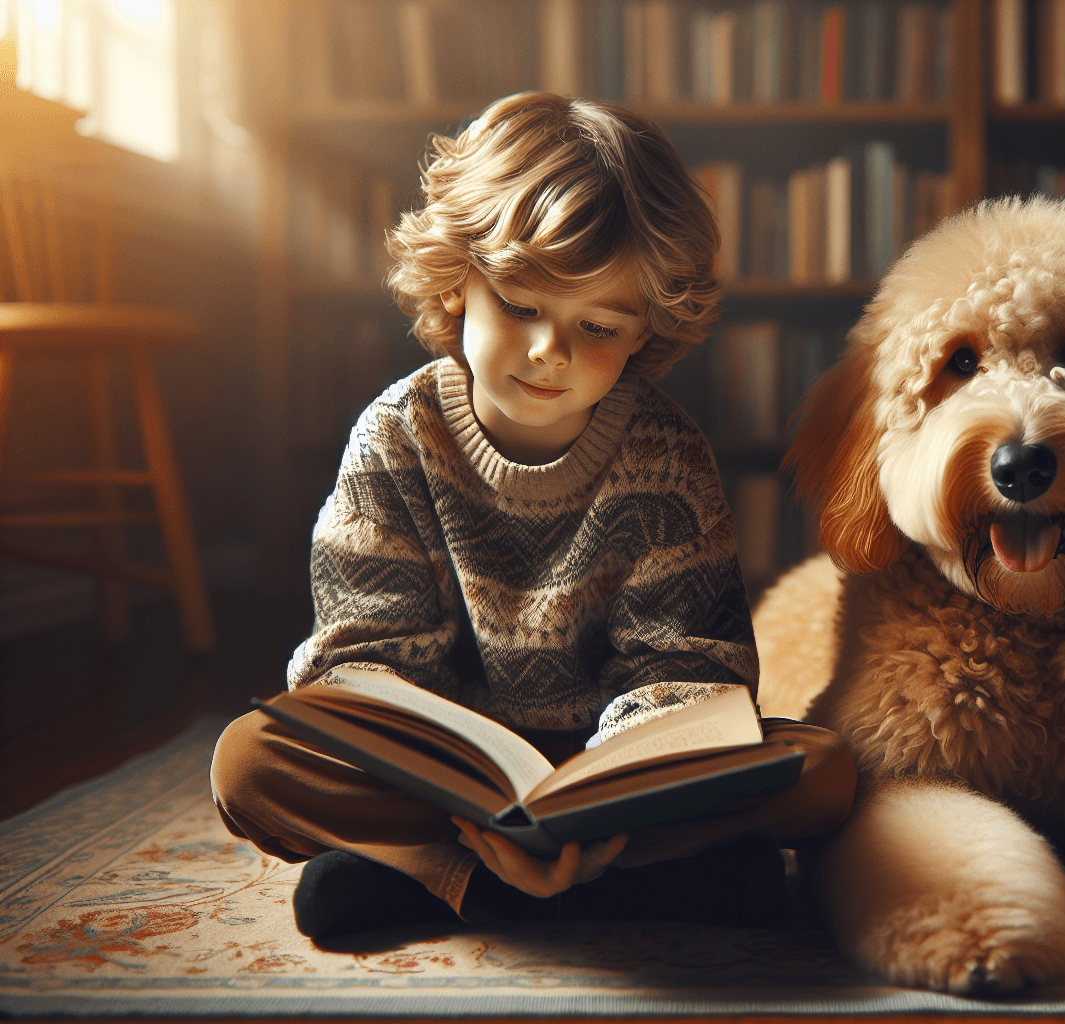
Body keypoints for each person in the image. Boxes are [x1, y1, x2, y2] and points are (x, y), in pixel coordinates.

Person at [209, 92, 855, 939]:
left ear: (642, 333)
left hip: (619, 782)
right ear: (459, 279)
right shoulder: (393, 442)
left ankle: (438, 883)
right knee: (248, 763)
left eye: (597, 325)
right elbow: (361, 664)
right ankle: (611, 887)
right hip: (446, 786)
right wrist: (467, 794)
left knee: (823, 772)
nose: (551, 351)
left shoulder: (667, 458)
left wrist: (598, 801)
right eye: (520, 307)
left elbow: (691, 668)